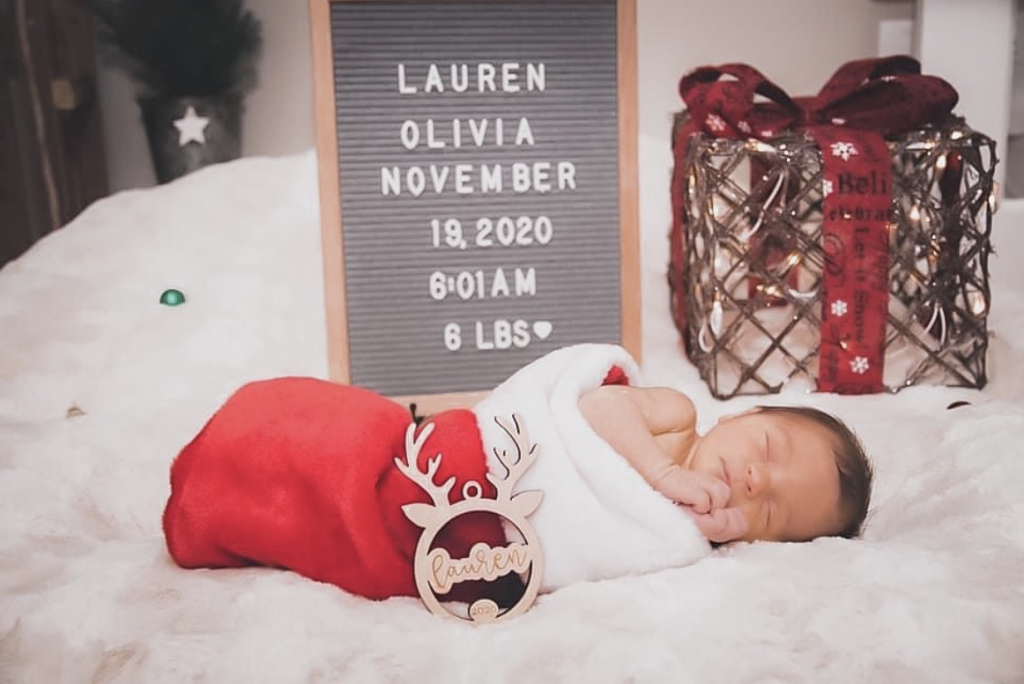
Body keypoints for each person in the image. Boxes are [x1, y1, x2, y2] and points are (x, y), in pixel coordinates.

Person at [578, 384, 873, 545]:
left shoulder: (697, 539)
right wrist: (664, 474)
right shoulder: (678, 420)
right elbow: (600, 406)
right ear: (739, 415)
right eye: (767, 447)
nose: (757, 480)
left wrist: (689, 526)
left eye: (770, 512)